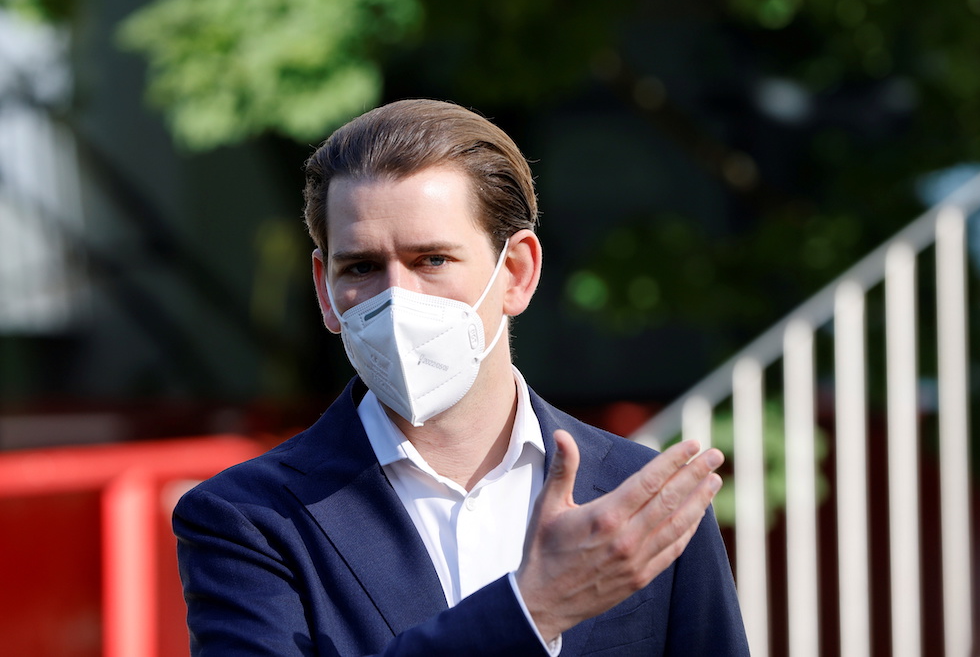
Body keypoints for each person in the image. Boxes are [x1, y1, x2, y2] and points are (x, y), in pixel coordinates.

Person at [174, 98, 749, 656]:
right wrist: (532, 611)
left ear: (516, 273)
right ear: (325, 290)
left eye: (432, 260)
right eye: (362, 267)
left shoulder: (642, 501)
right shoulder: (247, 518)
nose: (396, 298)